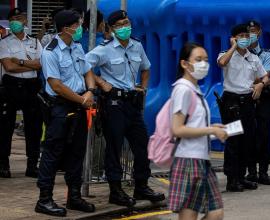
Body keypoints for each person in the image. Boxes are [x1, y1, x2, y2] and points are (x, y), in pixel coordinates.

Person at [85, 10, 165, 208]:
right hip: (113, 104)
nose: (125, 27)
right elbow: (83, 65)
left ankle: (141, 185)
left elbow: (146, 67)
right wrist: (101, 82)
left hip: (132, 103)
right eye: (120, 25)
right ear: (111, 29)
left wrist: (144, 87)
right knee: (114, 147)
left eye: (127, 23)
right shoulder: (103, 49)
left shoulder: (137, 46)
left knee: (142, 144)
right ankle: (116, 190)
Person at [35, 10, 96, 216]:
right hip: (60, 107)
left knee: (77, 152)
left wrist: (90, 91)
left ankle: (74, 197)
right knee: (53, 153)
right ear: (66, 28)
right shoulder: (50, 51)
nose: (80, 27)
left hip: (80, 105)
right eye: (78, 24)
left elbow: (88, 71)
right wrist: (83, 100)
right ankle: (44, 199)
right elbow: (56, 85)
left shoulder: (77, 47)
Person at [169, 42, 226, 220]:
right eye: (198, 59)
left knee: (216, 213)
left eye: (206, 60)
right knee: (189, 216)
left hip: (202, 160)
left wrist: (212, 130)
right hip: (188, 160)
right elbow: (177, 129)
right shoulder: (182, 90)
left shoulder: (195, 90)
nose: (203, 64)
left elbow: (194, 124)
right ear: (184, 64)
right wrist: (210, 129)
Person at [217, 24, 270, 192]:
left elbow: (265, 75)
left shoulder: (253, 57)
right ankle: (232, 179)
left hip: (248, 102)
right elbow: (221, 63)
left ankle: (241, 176)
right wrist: (233, 46)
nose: (245, 39)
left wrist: (261, 84)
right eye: (241, 36)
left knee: (247, 141)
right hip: (231, 103)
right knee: (233, 141)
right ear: (233, 38)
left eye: (247, 36)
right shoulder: (226, 55)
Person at [0, 8, 43, 178]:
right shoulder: (4, 42)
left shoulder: (34, 42)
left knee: (34, 127)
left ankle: (32, 165)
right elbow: (8, 67)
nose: (16, 22)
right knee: (5, 126)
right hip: (10, 86)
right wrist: (28, 64)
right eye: (13, 19)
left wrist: (21, 61)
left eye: (19, 18)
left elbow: (39, 65)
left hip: (31, 86)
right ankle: (3, 164)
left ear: (25, 21)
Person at [245, 20, 270, 185]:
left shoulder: (266, 54)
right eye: (248, 31)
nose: (251, 35)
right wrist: (260, 78)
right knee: (248, 134)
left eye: (254, 31)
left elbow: (267, 75)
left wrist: (259, 79)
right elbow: (259, 76)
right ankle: (251, 172)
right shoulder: (241, 54)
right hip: (246, 98)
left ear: (260, 32)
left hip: (263, 99)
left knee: (264, 134)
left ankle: (263, 171)